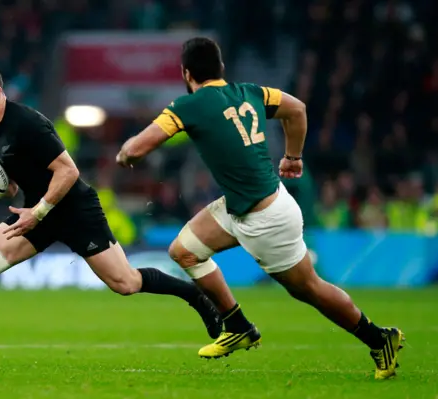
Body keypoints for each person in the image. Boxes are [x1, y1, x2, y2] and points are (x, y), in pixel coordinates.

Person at [0, 65, 222, 367]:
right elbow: (12, 185)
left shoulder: (28, 123)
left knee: (126, 283)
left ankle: (195, 295)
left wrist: (39, 212)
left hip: (74, 209)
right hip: (37, 210)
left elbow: (67, 171)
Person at [116, 37, 404, 380]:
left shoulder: (187, 105)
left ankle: (379, 338)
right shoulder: (249, 91)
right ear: (221, 69)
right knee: (185, 251)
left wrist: (124, 154)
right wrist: (293, 157)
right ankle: (237, 325)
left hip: (265, 219)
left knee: (308, 288)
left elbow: (135, 150)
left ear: (185, 73)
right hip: (245, 205)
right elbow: (296, 107)